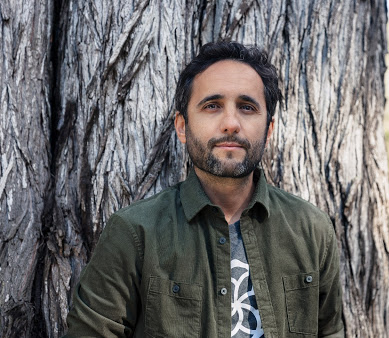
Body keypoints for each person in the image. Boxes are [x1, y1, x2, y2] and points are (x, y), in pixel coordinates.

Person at [65, 41, 343, 337]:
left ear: (268, 129)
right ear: (182, 127)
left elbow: (330, 331)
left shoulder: (312, 229)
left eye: (247, 107)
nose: (231, 124)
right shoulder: (135, 233)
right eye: (212, 106)